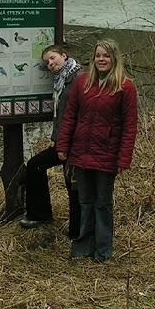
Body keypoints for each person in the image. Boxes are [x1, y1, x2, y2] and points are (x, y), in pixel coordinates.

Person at [55, 39, 138, 262]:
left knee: (102, 203)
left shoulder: (125, 87)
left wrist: (124, 158)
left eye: (106, 56)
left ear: (114, 59)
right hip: (81, 153)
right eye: (98, 55)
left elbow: (130, 126)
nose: (101, 59)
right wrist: (63, 146)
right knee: (85, 201)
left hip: (106, 155)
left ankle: (103, 249)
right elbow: (70, 116)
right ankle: (83, 246)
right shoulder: (82, 82)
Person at [20, 44, 82, 237]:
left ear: (64, 55)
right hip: (63, 141)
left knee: (73, 185)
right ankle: (41, 214)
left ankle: (77, 232)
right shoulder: (61, 80)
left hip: (75, 143)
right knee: (35, 165)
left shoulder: (78, 79)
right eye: (47, 62)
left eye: (53, 58)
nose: (50, 64)